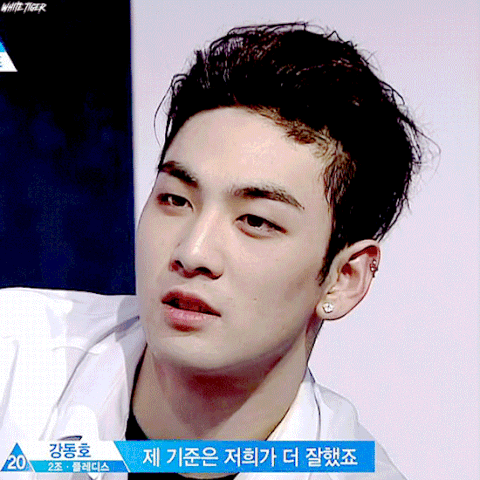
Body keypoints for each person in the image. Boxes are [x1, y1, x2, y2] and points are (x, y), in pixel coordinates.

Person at [0, 23, 423, 479]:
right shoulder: (15, 361)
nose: (193, 251)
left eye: (255, 221)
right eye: (175, 200)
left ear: (344, 279)